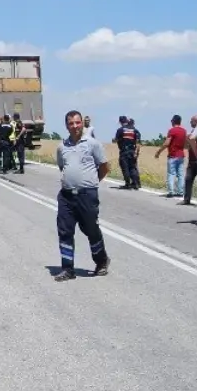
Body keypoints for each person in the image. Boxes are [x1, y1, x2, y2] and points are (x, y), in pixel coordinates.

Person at [53, 109, 111, 282]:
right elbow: (62, 167)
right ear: (66, 126)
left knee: (91, 230)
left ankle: (101, 261)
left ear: (82, 124)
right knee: (65, 231)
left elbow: (104, 167)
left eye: (77, 122)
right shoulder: (62, 147)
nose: (75, 126)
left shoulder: (93, 144)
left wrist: (91, 183)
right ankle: (67, 269)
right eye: (71, 123)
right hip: (67, 196)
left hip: (87, 195)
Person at [154, 115, 188, 198]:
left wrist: (158, 152)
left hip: (173, 155)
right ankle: (180, 192)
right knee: (180, 174)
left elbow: (166, 143)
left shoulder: (172, 130)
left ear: (173, 121)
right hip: (181, 155)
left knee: (171, 174)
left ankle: (171, 191)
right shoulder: (184, 131)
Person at [112, 116, 142, 189]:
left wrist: (115, 140)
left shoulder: (120, 130)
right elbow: (138, 143)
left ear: (120, 122)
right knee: (132, 168)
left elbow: (115, 140)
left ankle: (127, 184)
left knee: (125, 168)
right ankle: (135, 184)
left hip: (124, 152)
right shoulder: (135, 130)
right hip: (132, 151)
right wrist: (136, 152)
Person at [181, 114, 197, 205]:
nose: (190, 122)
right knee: (188, 179)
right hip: (192, 160)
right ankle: (186, 199)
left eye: (192, 121)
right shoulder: (193, 132)